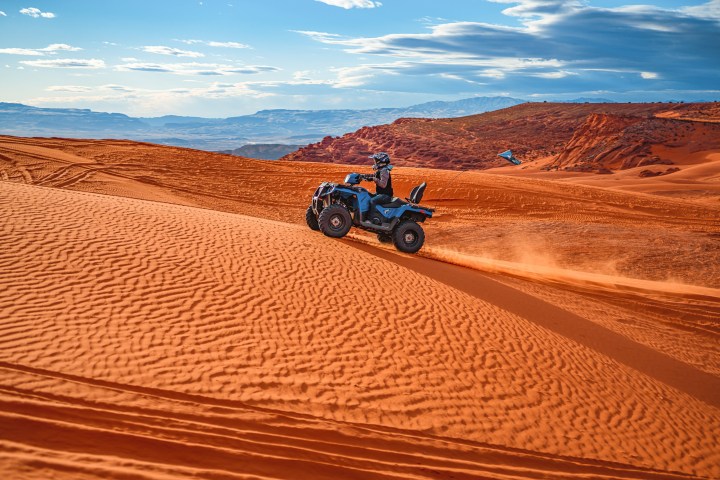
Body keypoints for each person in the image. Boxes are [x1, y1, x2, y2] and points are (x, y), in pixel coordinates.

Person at [364, 152, 394, 220]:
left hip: (385, 196)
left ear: (381, 161)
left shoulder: (384, 171)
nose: (375, 162)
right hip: (380, 194)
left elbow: (383, 185)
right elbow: (373, 176)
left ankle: (371, 218)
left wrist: (374, 179)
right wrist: (364, 176)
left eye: (376, 160)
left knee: (372, 201)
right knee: (366, 195)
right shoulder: (380, 170)